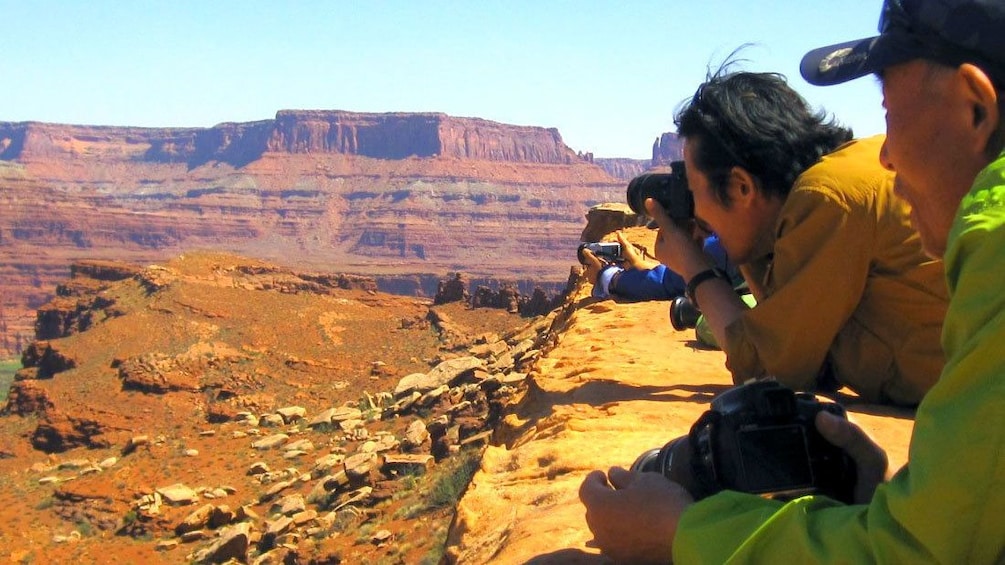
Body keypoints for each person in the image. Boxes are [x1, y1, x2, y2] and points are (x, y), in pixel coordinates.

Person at [580, 0, 1005, 562]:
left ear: (973, 109)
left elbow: (769, 366)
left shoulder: (838, 199)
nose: (886, 156)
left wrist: (680, 531)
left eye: (890, 112)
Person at [649, 70, 947, 407]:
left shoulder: (827, 198)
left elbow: (767, 371)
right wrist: (745, 244)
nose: (697, 212)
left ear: (740, 187)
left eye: (694, 192)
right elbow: (799, 347)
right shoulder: (843, 173)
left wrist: (694, 266)